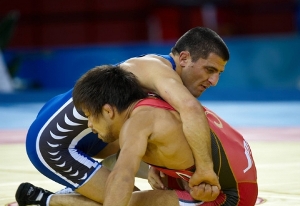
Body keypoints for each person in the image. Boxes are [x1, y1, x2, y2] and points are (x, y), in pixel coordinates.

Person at [15, 27, 230, 205]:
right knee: (131, 201)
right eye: (209, 70)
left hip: (88, 131)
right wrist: (205, 170)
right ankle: (48, 200)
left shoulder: (165, 80)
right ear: (183, 58)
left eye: (218, 73)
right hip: (52, 143)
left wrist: (157, 165)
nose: (214, 81)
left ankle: (83, 184)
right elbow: (191, 109)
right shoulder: (157, 70)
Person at [62, 65, 258, 205]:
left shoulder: (137, 123)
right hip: (237, 171)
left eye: (89, 116)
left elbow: (122, 177)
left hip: (229, 198)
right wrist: (157, 164)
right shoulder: (155, 98)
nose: (89, 125)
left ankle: (52, 200)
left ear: (107, 111)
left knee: (124, 199)